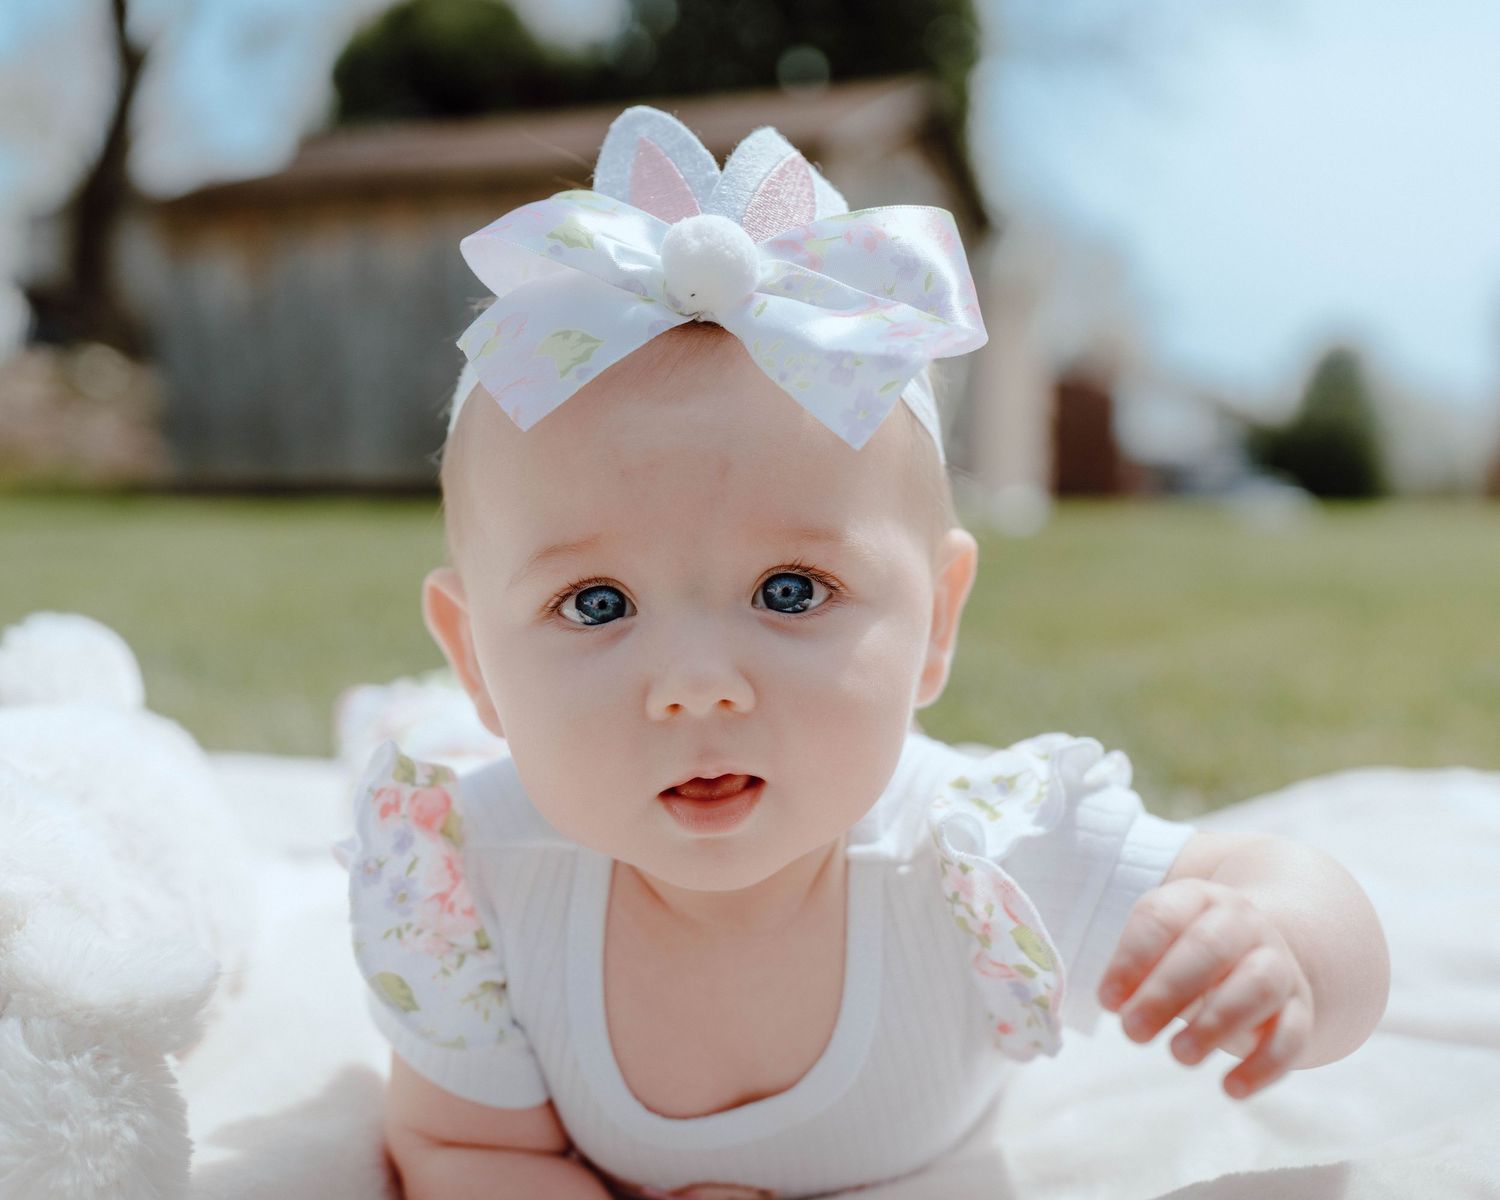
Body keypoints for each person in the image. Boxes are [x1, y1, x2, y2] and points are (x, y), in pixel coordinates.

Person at [332, 104, 1390, 1200]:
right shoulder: (473, 882)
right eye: (595, 603)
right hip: (470, 763)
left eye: (789, 591)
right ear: (479, 659)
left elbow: (1287, 889)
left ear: (935, 622)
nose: (697, 687)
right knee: (407, 755)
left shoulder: (982, 858)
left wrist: (1287, 948)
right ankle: (409, 714)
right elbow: (464, 1150)